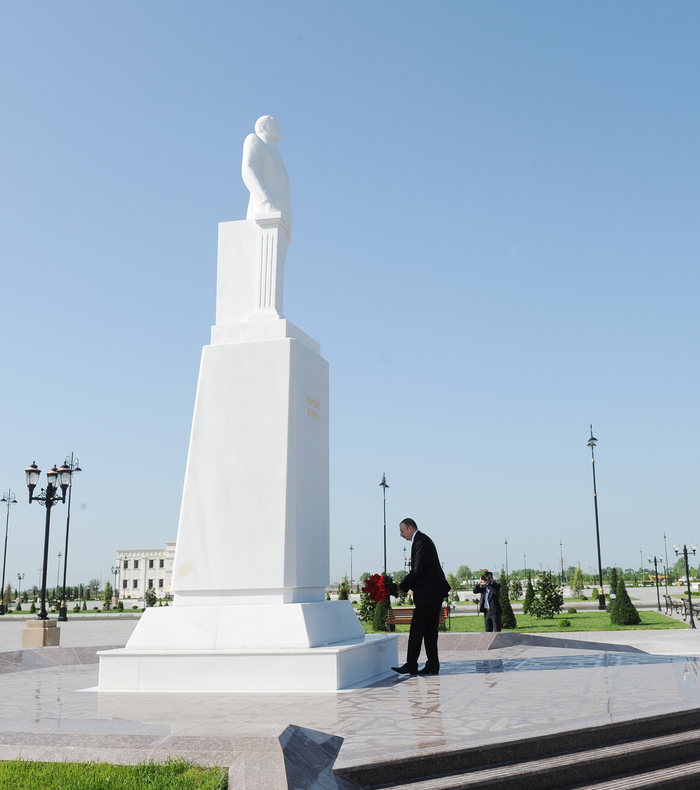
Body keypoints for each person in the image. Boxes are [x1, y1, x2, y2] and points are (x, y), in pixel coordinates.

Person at [392, 518, 451, 676]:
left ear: (410, 528)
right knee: (430, 632)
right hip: (433, 594)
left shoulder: (420, 542)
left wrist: (401, 587)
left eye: (402, 530)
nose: (401, 534)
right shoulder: (422, 540)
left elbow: (417, 571)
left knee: (417, 630)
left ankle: (411, 664)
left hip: (428, 595)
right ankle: (432, 665)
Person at [241, 115, 292, 241]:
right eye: (276, 127)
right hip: (265, 213)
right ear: (264, 127)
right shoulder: (255, 140)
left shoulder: (276, 152)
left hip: (281, 221)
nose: (280, 131)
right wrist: (267, 202)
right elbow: (249, 169)